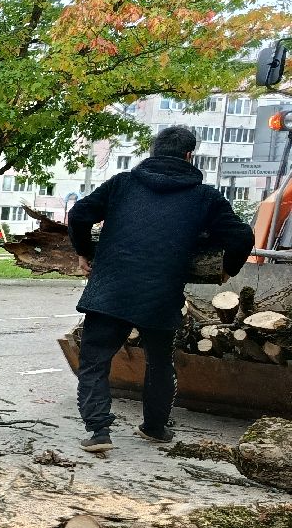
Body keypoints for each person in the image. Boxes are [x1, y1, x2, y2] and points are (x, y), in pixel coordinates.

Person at [69, 125, 253, 452]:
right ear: (189, 156)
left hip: (111, 289)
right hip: (161, 294)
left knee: (95, 360)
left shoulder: (122, 184)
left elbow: (79, 214)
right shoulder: (204, 197)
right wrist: (228, 268)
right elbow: (241, 236)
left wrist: (84, 251)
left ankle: (99, 432)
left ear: (153, 152)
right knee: (159, 363)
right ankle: (154, 428)